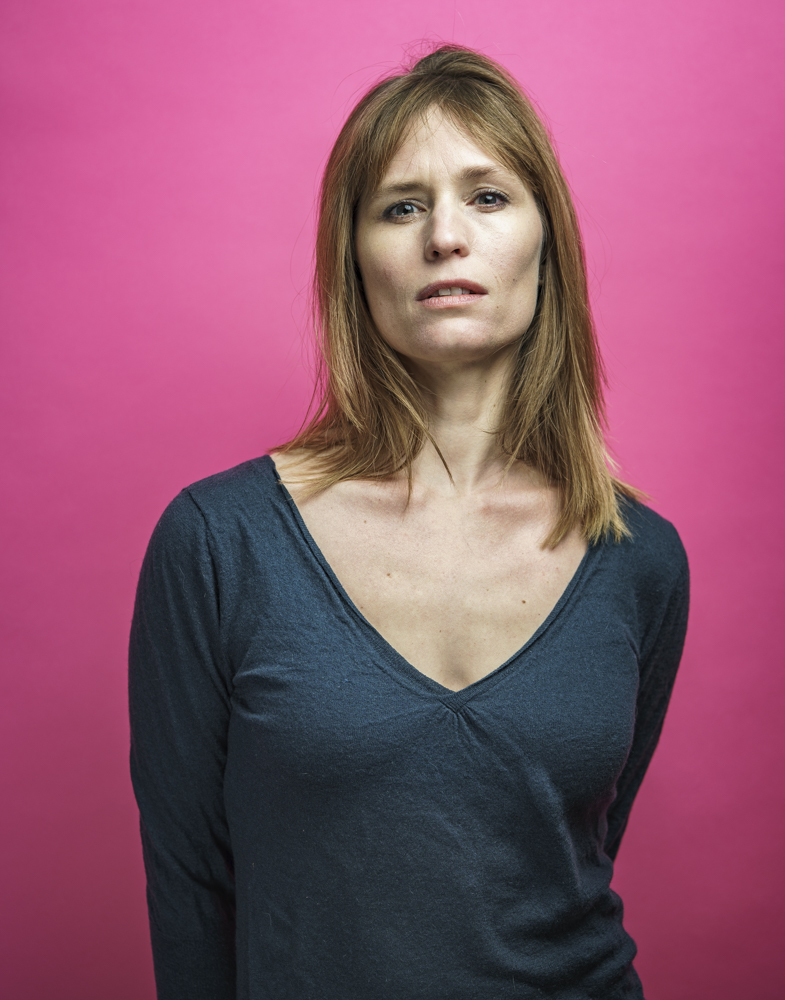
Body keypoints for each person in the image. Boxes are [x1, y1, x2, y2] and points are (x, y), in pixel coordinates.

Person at [129, 45, 689, 1000]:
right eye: (401, 206)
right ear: (353, 259)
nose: (445, 238)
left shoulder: (641, 559)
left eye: (488, 196)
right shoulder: (217, 543)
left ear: (548, 243)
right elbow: (190, 891)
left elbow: (578, 852)